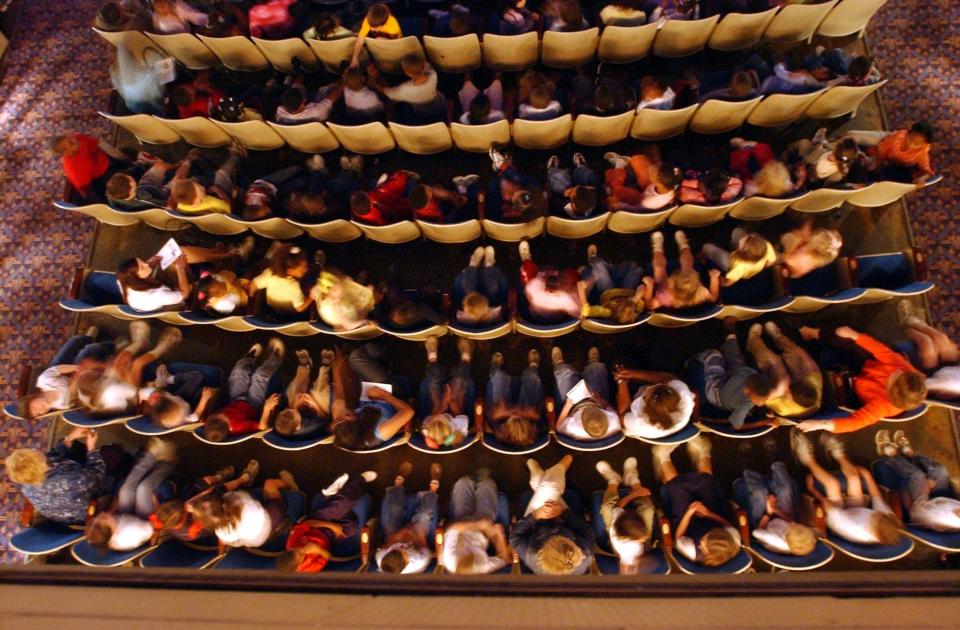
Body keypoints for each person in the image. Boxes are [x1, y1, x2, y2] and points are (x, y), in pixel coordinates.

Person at [795, 325, 926, 434]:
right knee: (843, 337)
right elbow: (881, 350)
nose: (898, 370)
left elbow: (854, 423)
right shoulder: (905, 370)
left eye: (896, 376)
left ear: (892, 389)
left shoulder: (881, 407)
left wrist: (821, 424)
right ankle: (813, 333)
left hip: (854, 390)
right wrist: (854, 335)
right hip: (866, 367)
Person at [792, 430, 903, 546]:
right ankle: (837, 453)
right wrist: (866, 474)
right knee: (854, 478)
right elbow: (877, 498)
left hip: (838, 516)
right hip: (858, 511)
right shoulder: (888, 519)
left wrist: (812, 490)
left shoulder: (852, 527)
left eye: (877, 516)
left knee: (832, 483)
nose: (878, 513)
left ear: (874, 528)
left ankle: (807, 459)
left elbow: (829, 506)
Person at [654, 435, 742, 566]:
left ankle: (662, 456)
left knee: (677, 487)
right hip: (711, 518)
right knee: (705, 482)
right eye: (705, 540)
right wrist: (708, 513)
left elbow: (679, 536)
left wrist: (689, 512)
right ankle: (704, 450)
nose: (700, 543)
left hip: (686, 526)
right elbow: (727, 524)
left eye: (702, 544)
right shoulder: (733, 540)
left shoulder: (692, 551)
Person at [6, 427, 119, 525]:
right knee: (111, 454)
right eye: (34, 451)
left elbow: (53, 455)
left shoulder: (27, 483)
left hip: (69, 495)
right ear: (39, 462)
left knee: (71, 445)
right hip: (87, 504)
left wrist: (70, 438)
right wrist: (91, 448)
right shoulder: (68, 480)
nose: (36, 450)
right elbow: (97, 473)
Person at [85, 438, 177, 551]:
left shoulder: (106, 526)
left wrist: (115, 503)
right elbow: (155, 527)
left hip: (125, 515)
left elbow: (112, 510)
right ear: (113, 531)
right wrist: (154, 502)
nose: (103, 513)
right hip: (145, 520)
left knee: (125, 489)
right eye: (104, 517)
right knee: (143, 488)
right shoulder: (133, 531)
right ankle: (168, 464)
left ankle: (151, 455)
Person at [277, 471, 377, 572]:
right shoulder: (310, 568)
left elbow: (307, 523)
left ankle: (359, 479)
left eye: (297, 549)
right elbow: (328, 556)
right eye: (301, 554)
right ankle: (331, 496)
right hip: (330, 538)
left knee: (344, 503)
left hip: (319, 522)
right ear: (298, 566)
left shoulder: (291, 543)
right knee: (352, 528)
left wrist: (331, 526)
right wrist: (318, 550)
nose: (301, 549)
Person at [510, 455, 595, 575]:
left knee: (547, 485)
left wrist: (535, 515)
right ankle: (543, 472)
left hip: (536, 522)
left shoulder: (531, 555)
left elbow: (515, 537)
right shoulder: (584, 552)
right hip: (563, 518)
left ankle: (554, 468)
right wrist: (564, 513)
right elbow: (585, 529)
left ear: (540, 553)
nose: (555, 533)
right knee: (547, 485)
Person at [117, 238, 252, 313]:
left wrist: (155, 259)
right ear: (136, 277)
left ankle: (217, 252)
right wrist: (180, 269)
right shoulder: (155, 296)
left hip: (165, 284)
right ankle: (231, 255)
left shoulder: (125, 279)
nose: (146, 264)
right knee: (183, 259)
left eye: (142, 262)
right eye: (142, 267)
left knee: (180, 252)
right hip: (181, 298)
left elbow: (149, 264)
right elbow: (184, 294)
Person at [733, 440, 819, 556]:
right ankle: (774, 456)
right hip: (780, 516)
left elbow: (757, 530)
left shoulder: (774, 540)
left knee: (759, 492)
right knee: (785, 489)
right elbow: (791, 520)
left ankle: (747, 461)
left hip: (764, 522)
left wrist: (768, 513)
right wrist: (775, 510)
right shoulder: (800, 534)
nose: (794, 524)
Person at [687, 318, 774, 431]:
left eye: (762, 401)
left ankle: (690, 362)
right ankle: (730, 336)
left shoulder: (745, 405)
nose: (761, 404)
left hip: (718, 392)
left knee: (713, 355)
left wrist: (763, 422)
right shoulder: (749, 373)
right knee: (736, 360)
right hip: (736, 375)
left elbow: (737, 426)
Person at [80, 322, 183, 416]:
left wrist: (98, 365)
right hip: (135, 401)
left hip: (122, 388)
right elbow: (134, 391)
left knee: (119, 361)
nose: (99, 373)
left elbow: (108, 373)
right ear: (97, 384)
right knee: (137, 364)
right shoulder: (111, 393)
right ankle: (164, 347)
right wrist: (125, 372)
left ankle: (140, 343)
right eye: (97, 374)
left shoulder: (88, 392)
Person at [330, 345, 415, 450]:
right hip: (393, 395)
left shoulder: (344, 427)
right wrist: (385, 396)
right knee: (356, 357)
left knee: (362, 355)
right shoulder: (380, 431)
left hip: (370, 391)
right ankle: (386, 358)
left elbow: (339, 398)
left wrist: (336, 369)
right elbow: (409, 412)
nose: (346, 413)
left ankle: (380, 361)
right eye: (348, 415)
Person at [152, 460, 259, 542]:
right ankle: (245, 479)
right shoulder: (191, 529)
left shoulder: (162, 514)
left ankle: (219, 477)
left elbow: (155, 498)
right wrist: (194, 506)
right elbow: (209, 492)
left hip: (192, 504)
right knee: (218, 490)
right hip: (207, 514)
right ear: (183, 517)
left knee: (205, 481)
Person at [875, 430, 960, 532]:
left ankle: (892, 455)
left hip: (919, 507)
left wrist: (926, 489)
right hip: (940, 500)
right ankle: (911, 454)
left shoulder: (939, 518)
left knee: (918, 476)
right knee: (940, 470)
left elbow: (915, 513)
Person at [20, 325, 113, 419]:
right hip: (76, 380)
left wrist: (77, 367)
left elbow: (58, 369)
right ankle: (114, 346)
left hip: (63, 369)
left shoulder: (43, 381)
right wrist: (80, 370)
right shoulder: (61, 405)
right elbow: (76, 390)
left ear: (32, 398)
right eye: (39, 414)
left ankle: (88, 338)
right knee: (88, 350)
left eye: (35, 408)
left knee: (75, 341)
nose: (40, 410)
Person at [203, 339, 285, 443]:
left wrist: (205, 399)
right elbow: (262, 428)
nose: (220, 413)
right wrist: (267, 408)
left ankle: (250, 358)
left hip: (236, 400)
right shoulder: (239, 427)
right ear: (228, 426)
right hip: (253, 404)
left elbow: (202, 419)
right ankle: (275, 358)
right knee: (259, 375)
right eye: (221, 415)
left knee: (239, 371)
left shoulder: (211, 421)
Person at [745, 321, 823, 419]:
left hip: (775, 385)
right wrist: (796, 353)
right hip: (797, 378)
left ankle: (753, 341)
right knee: (797, 352)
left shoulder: (783, 408)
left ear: (790, 398)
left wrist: (781, 386)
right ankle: (778, 336)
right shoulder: (814, 383)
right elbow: (805, 357)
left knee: (774, 360)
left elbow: (760, 397)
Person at [377, 462, 442, 573]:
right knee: (425, 514)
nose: (401, 548)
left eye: (397, 549)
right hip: (417, 539)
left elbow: (388, 542)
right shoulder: (420, 560)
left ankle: (399, 480)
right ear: (407, 562)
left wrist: (401, 533)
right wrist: (415, 533)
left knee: (393, 509)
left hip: (395, 536)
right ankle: (434, 485)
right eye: (402, 551)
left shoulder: (381, 558)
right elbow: (424, 545)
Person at [443, 470, 512, 574]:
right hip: (484, 529)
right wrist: (500, 535)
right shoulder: (482, 567)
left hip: (463, 523)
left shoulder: (450, 560)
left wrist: (477, 525)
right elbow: (506, 559)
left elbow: (452, 530)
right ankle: (483, 476)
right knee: (487, 484)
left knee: (463, 483)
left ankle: (473, 476)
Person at [595, 457, 655, 574]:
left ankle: (613, 481)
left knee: (607, 508)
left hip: (620, 534)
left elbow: (620, 505)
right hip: (632, 536)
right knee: (648, 509)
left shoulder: (619, 538)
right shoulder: (636, 539)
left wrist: (634, 495)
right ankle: (633, 480)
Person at [552, 346, 622, 442]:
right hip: (596, 402)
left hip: (574, 406)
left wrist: (568, 405)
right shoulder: (615, 423)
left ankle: (559, 363)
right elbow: (610, 409)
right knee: (597, 369)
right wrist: (600, 399)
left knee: (563, 371)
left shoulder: (574, 430)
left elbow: (559, 426)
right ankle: (593, 363)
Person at [215, 471, 299, 549]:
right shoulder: (241, 504)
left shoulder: (222, 532)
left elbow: (225, 541)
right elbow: (250, 500)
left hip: (259, 539)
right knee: (269, 483)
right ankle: (290, 485)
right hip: (269, 519)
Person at [643, 231, 721, 311]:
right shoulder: (700, 293)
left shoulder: (665, 296)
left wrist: (650, 285)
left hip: (667, 293)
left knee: (659, 269)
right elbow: (713, 298)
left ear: (673, 281)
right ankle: (683, 245)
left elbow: (649, 305)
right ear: (696, 283)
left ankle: (657, 248)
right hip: (681, 292)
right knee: (687, 266)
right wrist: (714, 278)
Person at [420, 337, 474, 450]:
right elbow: (459, 413)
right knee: (459, 382)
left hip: (439, 406)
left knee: (434, 384)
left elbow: (435, 412)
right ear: (450, 426)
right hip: (455, 410)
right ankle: (465, 358)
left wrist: (442, 406)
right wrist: (450, 401)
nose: (438, 417)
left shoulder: (427, 427)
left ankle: (432, 357)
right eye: (440, 419)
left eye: (435, 419)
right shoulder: (460, 429)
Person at [616, 363, 694, 440]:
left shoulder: (639, 424)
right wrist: (633, 373)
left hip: (632, 399)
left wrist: (622, 382)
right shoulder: (685, 398)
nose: (652, 386)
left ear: (645, 404)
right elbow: (667, 378)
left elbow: (623, 414)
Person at [168, 141, 246, 215]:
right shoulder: (215, 203)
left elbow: (176, 197)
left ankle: (197, 160)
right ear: (196, 200)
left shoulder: (182, 205)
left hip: (209, 193)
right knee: (221, 175)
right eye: (199, 188)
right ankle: (237, 154)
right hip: (227, 194)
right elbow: (229, 205)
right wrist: (218, 191)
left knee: (195, 179)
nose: (201, 186)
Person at [486, 350, 544, 448]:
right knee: (532, 377)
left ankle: (496, 366)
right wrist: (524, 413)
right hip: (526, 415)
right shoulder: (532, 430)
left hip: (502, 417)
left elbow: (491, 415)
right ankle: (533, 365)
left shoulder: (500, 433)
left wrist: (508, 412)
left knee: (498, 378)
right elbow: (537, 416)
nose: (516, 414)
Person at [106, 150, 199, 212]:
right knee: (178, 179)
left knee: (160, 166)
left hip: (145, 186)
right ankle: (188, 161)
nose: (132, 178)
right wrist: (174, 187)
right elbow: (166, 204)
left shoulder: (114, 197)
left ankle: (177, 165)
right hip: (162, 194)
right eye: (130, 180)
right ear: (130, 191)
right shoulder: (145, 196)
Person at [848, 122, 936, 184]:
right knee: (851, 134)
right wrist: (878, 167)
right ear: (908, 133)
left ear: (924, 144)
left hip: (888, 161)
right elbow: (881, 150)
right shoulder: (900, 136)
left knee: (865, 165)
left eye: (916, 144)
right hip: (885, 139)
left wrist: (922, 178)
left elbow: (927, 170)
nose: (910, 144)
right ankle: (837, 143)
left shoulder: (922, 152)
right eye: (910, 139)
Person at [577, 244, 645, 325]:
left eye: (621, 306)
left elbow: (586, 311)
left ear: (616, 312)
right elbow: (642, 287)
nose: (622, 301)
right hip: (626, 290)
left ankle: (593, 260)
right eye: (626, 303)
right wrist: (635, 298)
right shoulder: (637, 307)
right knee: (638, 270)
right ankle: (617, 267)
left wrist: (581, 289)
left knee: (600, 266)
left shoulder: (608, 311)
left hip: (608, 292)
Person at [52, 132, 130, 202]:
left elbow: (101, 145)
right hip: (102, 176)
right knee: (122, 188)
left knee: (128, 163)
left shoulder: (78, 138)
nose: (75, 139)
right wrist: (104, 204)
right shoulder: (74, 169)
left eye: (70, 138)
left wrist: (126, 158)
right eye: (71, 143)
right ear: (66, 152)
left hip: (105, 159)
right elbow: (86, 192)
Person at [274, 349, 334, 439]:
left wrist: (296, 404)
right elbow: (324, 419)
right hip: (320, 413)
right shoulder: (310, 425)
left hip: (302, 409)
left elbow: (290, 409)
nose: (287, 408)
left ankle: (305, 366)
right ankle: (325, 367)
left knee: (295, 393)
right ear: (298, 426)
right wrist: (313, 403)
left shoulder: (286, 419)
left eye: (286, 409)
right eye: (294, 411)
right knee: (318, 393)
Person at [518, 240, 582, 323]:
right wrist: (575, 293)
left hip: (534, 318)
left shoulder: (535, 288)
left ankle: (526, 260)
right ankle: (574, 261)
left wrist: (544, 275)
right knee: (573, 275)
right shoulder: (564, 298)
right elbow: (580, 313)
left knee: (527, 271)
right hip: (558, 320)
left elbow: (530, 291)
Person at [372, 55, 443, 125]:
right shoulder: (433, 75)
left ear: (407, 72)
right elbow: (426, 65)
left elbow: (387, 92)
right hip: (439, 105)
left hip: (419, 113)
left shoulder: (405, 90)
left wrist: (374, 78)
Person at [249, 244, 316, 317]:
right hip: (292, 315)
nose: (306, 270)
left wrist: (251, 301)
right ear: (289, 271)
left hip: (273, 310)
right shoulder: (293, 286)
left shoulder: (269, 273)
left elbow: (253, 284)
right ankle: (318, 264)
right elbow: (300, 308)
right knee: (312, 276)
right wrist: (311, 296)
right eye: (302, 270)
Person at [604, 152, 681, 211]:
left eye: (652, 173)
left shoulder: (648, 203)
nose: (650, 169)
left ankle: (619, 166)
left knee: (615, 190)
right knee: (639, 160)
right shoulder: (672, 185)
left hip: (638, 201)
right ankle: (624, 165)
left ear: (657, 182)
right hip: (646, 191)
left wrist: (618, 205)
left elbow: (635, 209)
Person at [700, 228, 777, 287]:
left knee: (707, 248)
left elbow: (727, 283)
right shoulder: (765, 245)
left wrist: (718, 279)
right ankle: (732, 244)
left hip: (731, 263)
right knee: (737, 231)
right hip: (745, 260)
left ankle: (701, 256)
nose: (748, 236)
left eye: (745, 239)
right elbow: (771, 262)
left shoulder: (739, 267)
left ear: (742, 250)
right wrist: (761, 266)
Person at [453, 246, 508, 328]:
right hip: (490, 303)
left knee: (466, 286)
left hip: (473, 307)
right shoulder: (495, 313)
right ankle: (489, 266)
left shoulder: (461, 317)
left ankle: (472, 266)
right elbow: (503, 298)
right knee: (493, 287)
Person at [486, 147, 544, 223]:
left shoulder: (505, 206)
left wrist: (508, 200)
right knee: (521, 179)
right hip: (524, 191)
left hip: (501, 211)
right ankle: (503, 166)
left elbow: (495, 213)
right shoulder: (533, 205)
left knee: (496, 185)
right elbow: (531, 190)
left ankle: (501, 167)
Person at [545, 153, 600, 219]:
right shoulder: (592, 204)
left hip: (559, 196)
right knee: (586, 174)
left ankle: (552, 170)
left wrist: (562, 194)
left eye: (571, 192)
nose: (572, 189)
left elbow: (551, 197)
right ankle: (581, 168)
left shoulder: (559, 207)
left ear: (573, 203)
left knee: (558, 177)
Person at [350, 3, 402, 68]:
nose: (372, 29)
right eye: (370, 26)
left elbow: (397, 45)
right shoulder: (369, 20)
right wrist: (354, 58)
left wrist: (384, 41)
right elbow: (360, 39)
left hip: (393, 45)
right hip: (378, 42)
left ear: (384, 24)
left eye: (375, 27)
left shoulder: (393, 26)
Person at [275, 84, 342, 124]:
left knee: (297, 86)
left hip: (301, 134)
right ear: (302, 103)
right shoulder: (318, 112)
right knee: (327, 91)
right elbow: (333, 96)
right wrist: (345, 80)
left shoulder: (280, 113)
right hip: (328, 115)